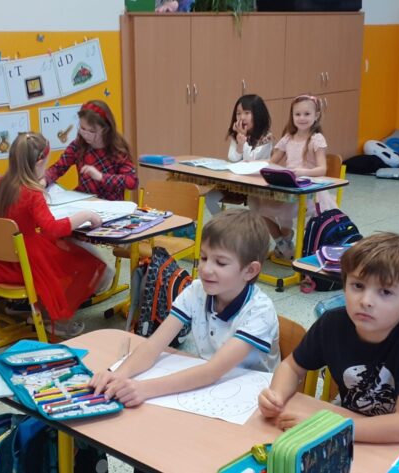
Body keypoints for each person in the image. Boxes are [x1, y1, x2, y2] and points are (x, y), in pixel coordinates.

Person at [258, 232, 399, 443]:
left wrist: (328, 428)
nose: (366, 301)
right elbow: (292, 367)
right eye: (358, 286)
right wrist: (276, 397)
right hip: (351, 432)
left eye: (385, 292)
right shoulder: (332, 324)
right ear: (344, 285)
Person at [90, 209, 279, 406]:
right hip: (209, 385)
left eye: (221, 263)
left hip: (252, 399)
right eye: (204, 258)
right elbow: (153, 345)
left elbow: (212, 371)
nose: (206, 269)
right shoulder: (197, 291)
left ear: (250, 270)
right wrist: (119, 374)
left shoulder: (260, 311)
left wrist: (144, 389)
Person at [0, 132, 109, 337]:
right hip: (25, 260)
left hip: (0, 259)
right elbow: (52, 229)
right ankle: (56, 318)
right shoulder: (32, 193)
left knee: (62, 253)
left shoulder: (0, 184)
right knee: (88, 264)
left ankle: (32, 307)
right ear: (40, 162)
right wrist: (85, 215)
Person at [250, 95, 334, 260]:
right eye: (298, 114)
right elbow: (271, 162)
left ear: (316, 115)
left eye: (307, 114)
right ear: (292, 116)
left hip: (309, 190)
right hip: (289, 186)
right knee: (260, 210)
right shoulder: (288, 138)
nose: (302, 118)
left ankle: (285, 244)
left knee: (285, 212)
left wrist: (302, 172)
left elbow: (322, 169)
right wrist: (252, 163)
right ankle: (283, 242)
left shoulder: (316, 139)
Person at [43, 100, 137, 201]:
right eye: (82, 128)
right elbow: (58, 168)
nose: (86, 135)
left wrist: (101, 177)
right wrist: (44, 180)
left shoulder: (117, 149)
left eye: (92, 131)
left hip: (110, 204)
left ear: (105, 129)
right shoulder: (78, 146)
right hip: (85, 202)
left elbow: (132, 181)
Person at [204, 94, 274, 215]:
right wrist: (240, 144)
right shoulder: (236, 134)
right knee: (209, 198)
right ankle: (224, 223)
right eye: (238, 113)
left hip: (256, 186)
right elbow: (232, 159)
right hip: (235, 184)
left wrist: (244, 140)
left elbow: (250, 162)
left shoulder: (266, 137)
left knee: (255, 207)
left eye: (247, 113)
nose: (242, 117)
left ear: (258, 114)